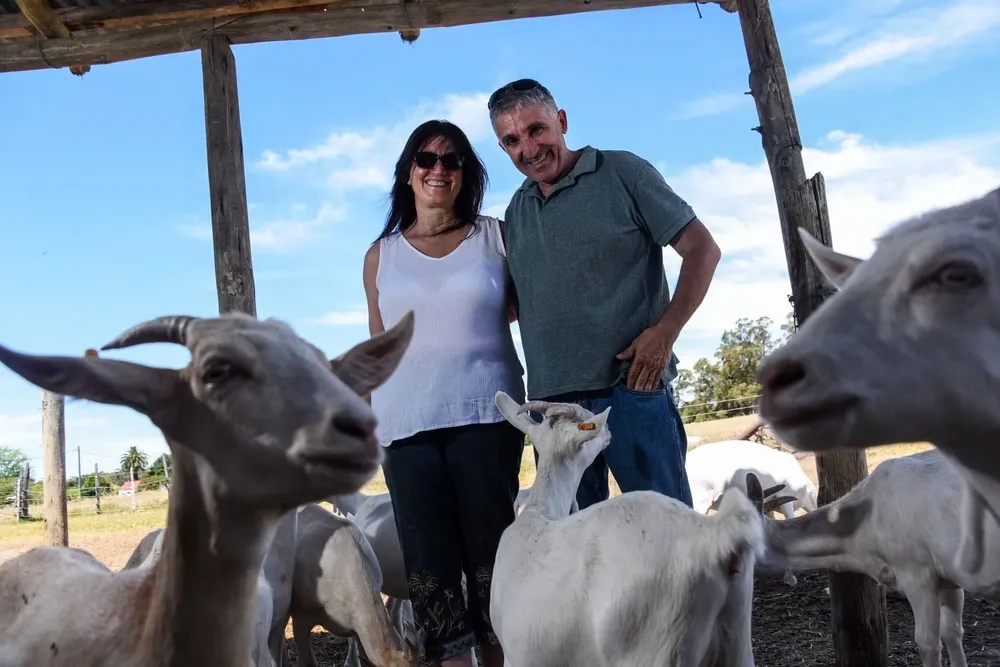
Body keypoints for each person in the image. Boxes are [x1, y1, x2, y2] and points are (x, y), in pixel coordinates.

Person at [487, 78, 722, 511]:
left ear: (562, 121)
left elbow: (703, 250)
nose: (529, 148)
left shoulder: (623, 173)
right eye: (512, 140)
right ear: (503, 148)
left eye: (537, 129)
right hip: (553, 410)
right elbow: (524, 302)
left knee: (665, 531)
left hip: (631, 389)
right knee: (575, 542)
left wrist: (665, 332)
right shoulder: (516, 210)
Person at [362, 118, 526, 667]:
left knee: (493, 554)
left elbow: (529, 309)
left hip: (487, 414)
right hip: (404, 425)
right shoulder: (380, 255)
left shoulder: (496, 237)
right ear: (408, 172)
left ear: (466, 174)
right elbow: (378, 346)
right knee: (428, 562)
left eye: (451, 160)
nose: (438, 169)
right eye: (426, 159)